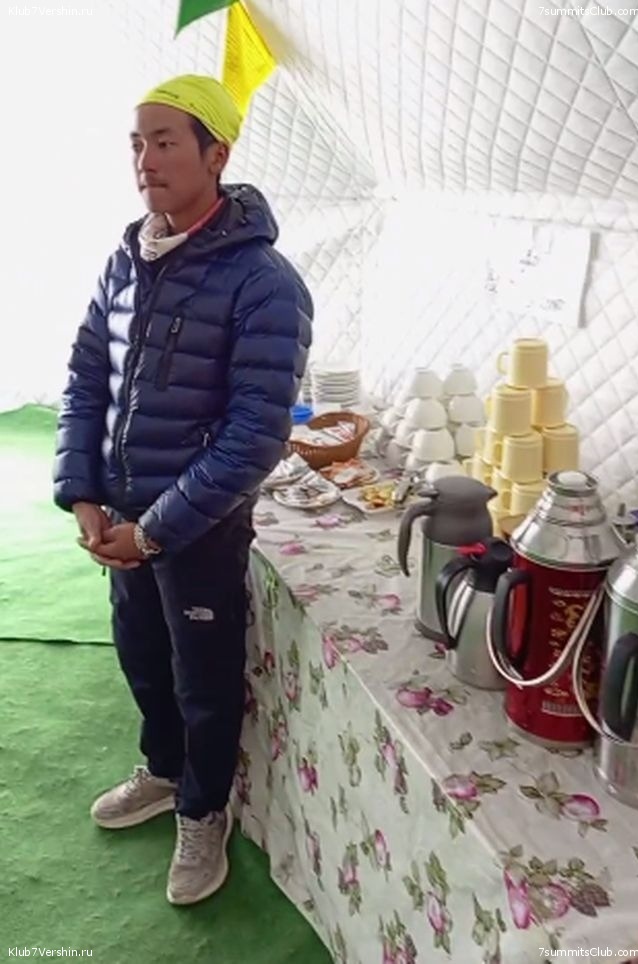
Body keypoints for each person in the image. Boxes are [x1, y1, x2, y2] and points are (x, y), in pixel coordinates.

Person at [53, 74, 313, 906]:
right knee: (141, 653)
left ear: (216, 155)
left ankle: (205, 809)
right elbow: (86, 379)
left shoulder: (264, 283)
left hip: (197, 526)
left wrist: (157, 529)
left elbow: (255, 436)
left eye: (165, 142)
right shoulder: (126, 260)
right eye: (137, 143)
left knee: (204, 675)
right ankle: (164, 772)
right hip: (122, 514)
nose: (146, 160)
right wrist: (84, 492)